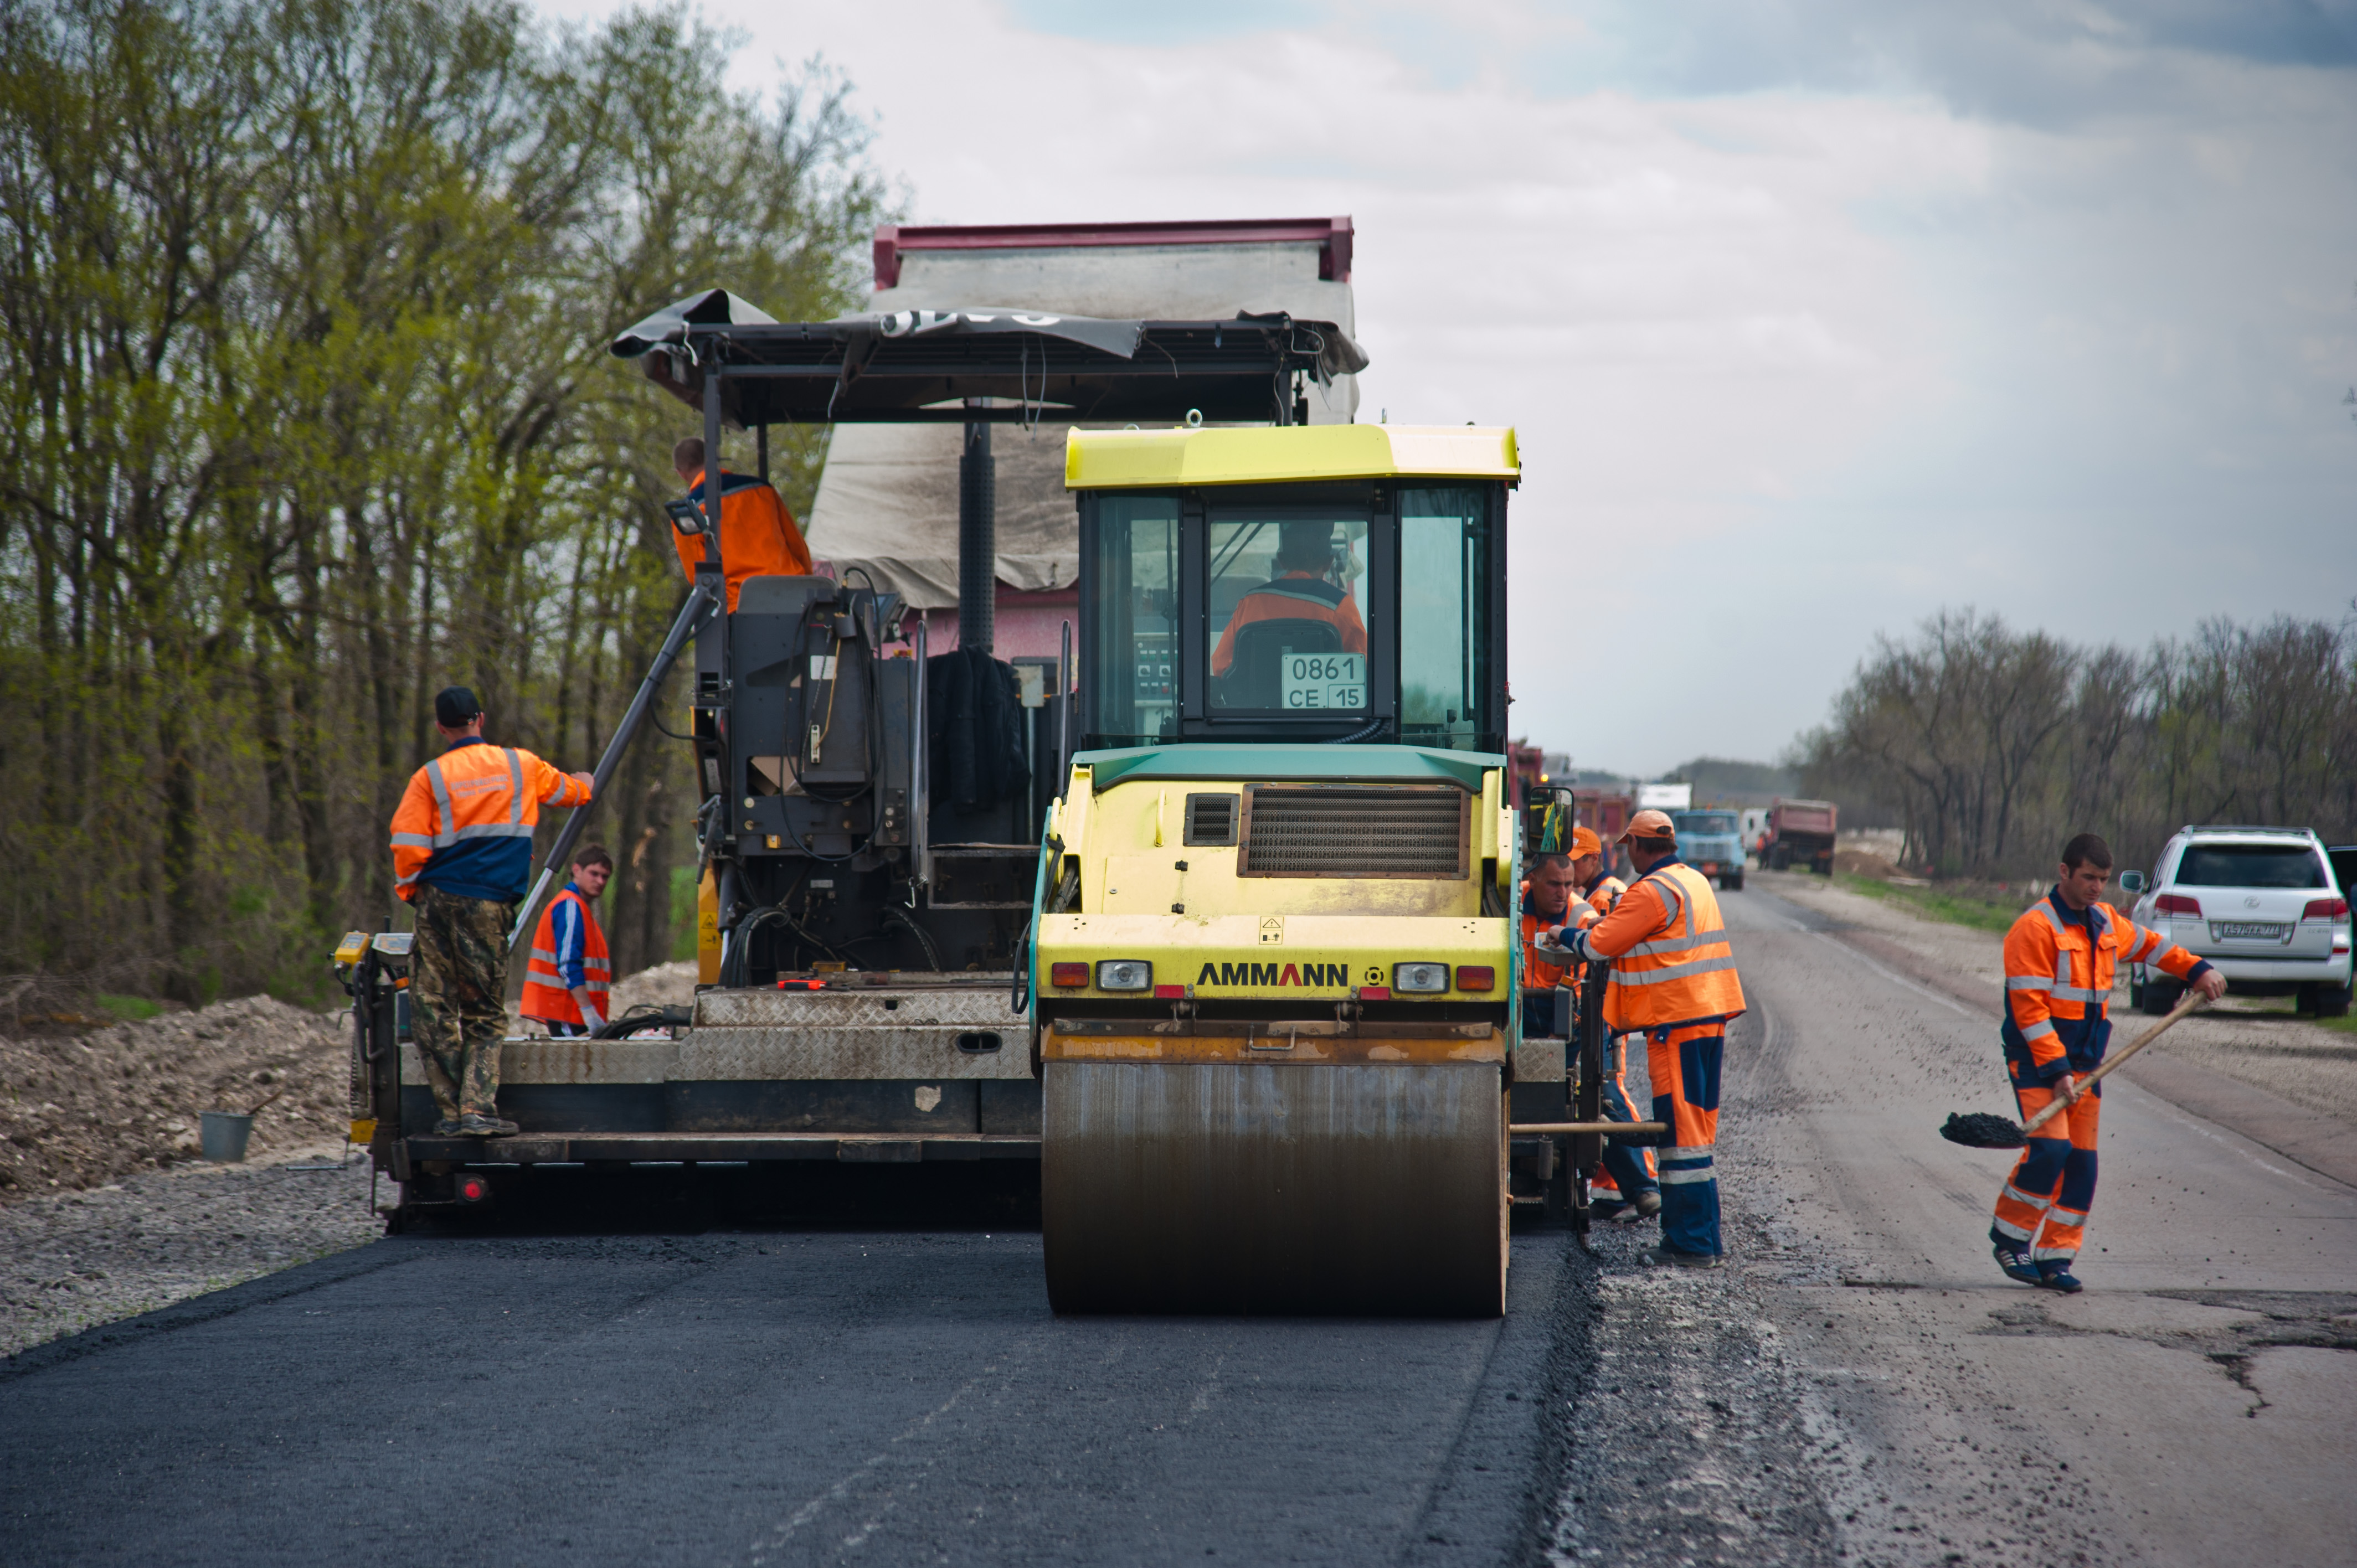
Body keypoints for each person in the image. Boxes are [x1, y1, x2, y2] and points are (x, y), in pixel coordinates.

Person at [1990, 832, 2223, 1293]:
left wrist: (2197, 969)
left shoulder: (2106, 922)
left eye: (2103, 879)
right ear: (2064, 873)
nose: (2097, 887)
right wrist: (2057, 1072)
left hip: (2089, 1065)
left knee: (2081, 1164)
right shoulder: (2034, 928)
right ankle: (2010, 1237)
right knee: (2050, 1150)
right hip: (2039, 1062)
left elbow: (2154, 947)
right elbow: (2030, 1010)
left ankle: (2056, 1258)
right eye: (2089, 878)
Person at [388, 687, 594, 1137]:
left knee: (434, 1008)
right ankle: (477, 1111)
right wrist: (586, 784)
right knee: (482, 1011)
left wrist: (413, 894)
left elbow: (407, 846)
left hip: (437, 900)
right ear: (480, 719)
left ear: (442, 727)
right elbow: (570, 792)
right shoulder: (521, 764)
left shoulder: (430, 777)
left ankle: (451, 1111)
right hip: (489, 904)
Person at [1558, 807, 1744, 1266]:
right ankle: (1705, 1240)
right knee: (1695, 1135)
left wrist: (1560, 933)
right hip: (1707, 1014)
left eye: (1630, 847)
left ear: (1639, 846)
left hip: (1677, 1022)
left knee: (1680, 1137)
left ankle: (1689, 1243)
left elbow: (1598, 944)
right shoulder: (1694, 880)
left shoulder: (1652, 891)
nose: (1629, 855)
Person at [671, 436, 813, 612]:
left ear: (680, 473)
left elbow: (697, 574)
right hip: (789, 591)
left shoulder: (689, 511)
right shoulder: (762, 489)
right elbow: (796, 545)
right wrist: (806, 584)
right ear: (711, 458)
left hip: (740, 603)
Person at [1210, 521, 1368, 677]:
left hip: (1257, 704)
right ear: (1329, 563)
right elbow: (1363, 668)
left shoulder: (1249, 603)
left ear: (1281, 560)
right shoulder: (1340, 606)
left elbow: (1221, 665)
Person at [521, 846, 614, 1038]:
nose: (600, 881)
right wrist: (588, 1012)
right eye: (594, 874)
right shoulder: (571, 906)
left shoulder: (579, 908)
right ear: (577, 870)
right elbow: (568, 965)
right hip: (569, 1013)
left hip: (573, 1013)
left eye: (605, 877)